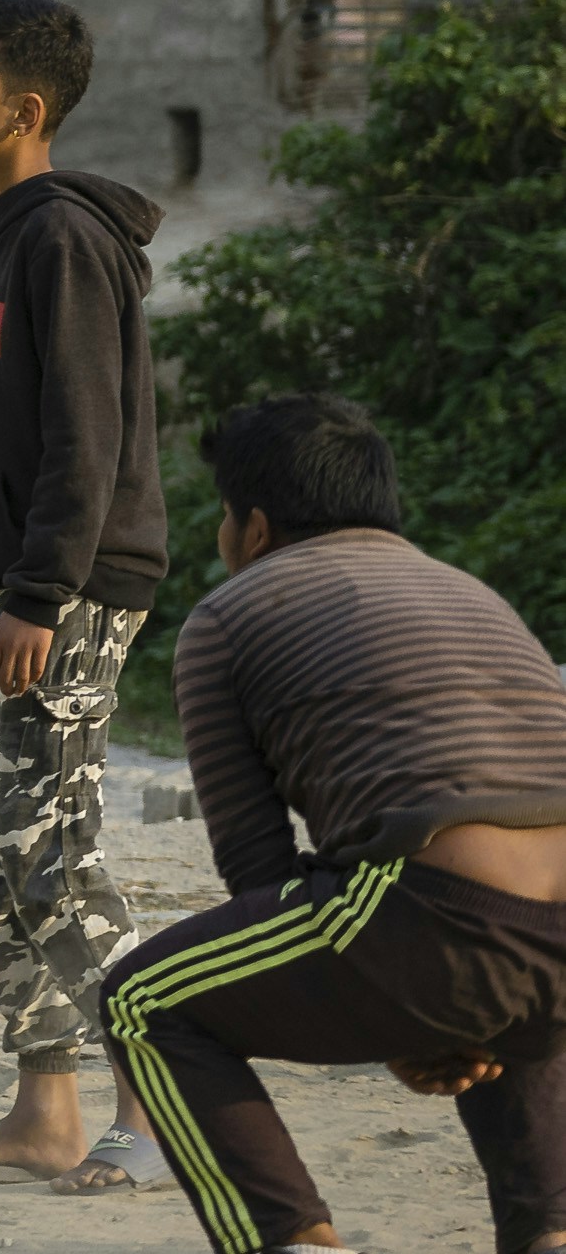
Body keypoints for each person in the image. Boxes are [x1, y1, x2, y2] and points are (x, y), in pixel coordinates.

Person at [100, 394, 566, 1254]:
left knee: (141, 998)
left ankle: (296, 1240)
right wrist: (420, 1012)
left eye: (224, 517)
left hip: (449, 908)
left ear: (256, 528)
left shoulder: (227, 618)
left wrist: (391, 1014)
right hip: (537, 922)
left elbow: (259, 870)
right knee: (503, 957)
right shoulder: (468, 590)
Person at [0, 0, 170, 1194]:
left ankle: (164, 1110)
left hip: (76, 588)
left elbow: (84, 441)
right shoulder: (8, 231)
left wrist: (39, 593)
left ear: (26, 109)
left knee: (52, 854)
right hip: (22, 585)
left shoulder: (61, 237)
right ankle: (42, 1115)